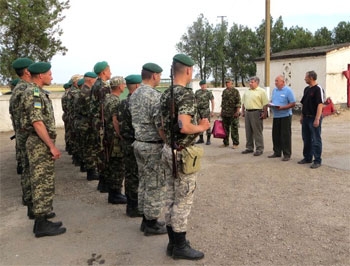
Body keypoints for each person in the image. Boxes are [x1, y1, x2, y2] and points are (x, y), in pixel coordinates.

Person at [160, 54, 210, 260]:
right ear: (188, 71)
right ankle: (180, 246)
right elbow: (184, 125)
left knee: (171, 196)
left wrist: (169, 143)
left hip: (168, 149)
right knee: (183, 200)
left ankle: (173, 243)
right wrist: (203, 127)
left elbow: (160, 125)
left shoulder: (166, 94)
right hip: (182, 153)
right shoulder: (186, 95)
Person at [21, 62, 66, 237]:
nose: (52, 77)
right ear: (40, 76)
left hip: (40, 142)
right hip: (39, 143)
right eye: (49, 74)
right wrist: (51, 146)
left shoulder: (37, 92)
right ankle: (40, 225)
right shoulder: (33, 93)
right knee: (41, 182)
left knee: (45, 180)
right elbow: (37, 122)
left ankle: (44, 218)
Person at [129, 63, 167, 236]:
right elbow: (160, 125)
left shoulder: (135, 94)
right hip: (152, 145)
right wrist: (169, 143)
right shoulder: (154, 96)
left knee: (144, 182)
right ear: (154, 76)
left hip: (139, 143)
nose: (159, 78)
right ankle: (151, 223)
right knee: (154, 184)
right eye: (159, 75)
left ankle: (146, 219)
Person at [8, 58, 34, 209]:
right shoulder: (24, 89)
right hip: (26, 134)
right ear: (26, 71)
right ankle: (30, 200)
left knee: (27, 166)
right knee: (29, 167)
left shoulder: (18, 88)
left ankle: (29, 198)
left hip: (22, 132)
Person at [117, 74, 143, 217]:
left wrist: (121, 135)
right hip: (136, 142)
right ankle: (134, 207)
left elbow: (117, 121)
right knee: (135, 175)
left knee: (129, 174)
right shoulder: (136, 103)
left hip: (126, 141)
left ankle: (131, 205)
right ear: (138, 86)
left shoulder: (123, 102)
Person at [103, 76, 127, 204]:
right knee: (117, 165)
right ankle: (115, 194)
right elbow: (115, 120)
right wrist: (120, 135)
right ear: (119, 86)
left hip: (108, 135)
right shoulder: (114, 101)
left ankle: (115, 193)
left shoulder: (107, 98)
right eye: (123, 84)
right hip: (114, 137)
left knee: (112, 165)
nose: (124, 86)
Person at [89, 61, 112, 192]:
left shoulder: (96, 84)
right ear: (103, 72)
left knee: (100, 151)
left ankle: (103, 182)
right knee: (104, 151)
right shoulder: (103, 87)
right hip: (102, 124)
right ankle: (104, 183)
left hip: (96, 122)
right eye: (109, 70)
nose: (111, 73)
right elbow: (105, 108)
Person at [75, 72, 99, 180]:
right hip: (87, 123)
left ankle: (90, 169)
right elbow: (91, 110)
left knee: (86, 147)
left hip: (82, 121)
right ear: (90, 80)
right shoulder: (87, 92)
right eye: (95, 80)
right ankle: (91, 172)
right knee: (89, 147)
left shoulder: (81, 91)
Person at [298, 70, 324, 169]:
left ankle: (317, 160)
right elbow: (304, 104)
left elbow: (320, 104)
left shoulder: (318, 89)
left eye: (306, 77)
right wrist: (302, 116)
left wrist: (317, 119)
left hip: (314, 117)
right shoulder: (306, 89)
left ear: (311, 78)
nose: (305, 78)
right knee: (306, 138)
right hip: (306, 118)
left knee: (316, 139)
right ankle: (307, 157)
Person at [268, 75, 296, 161]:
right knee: (275, 135)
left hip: (285, 116)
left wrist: (283, 107)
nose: (275, 82)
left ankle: (287, 154)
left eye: (277, 81)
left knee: (285, 135)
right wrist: (270, 104)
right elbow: (273, 101)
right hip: (276, 116)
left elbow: (293, 103)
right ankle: (277, 152)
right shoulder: (275, 90)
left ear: (283, 82)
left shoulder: (288, 91)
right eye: (275, 81)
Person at [241, 76, 269, 156]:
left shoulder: (261, 91)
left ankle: (259, 148)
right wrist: (243, 111)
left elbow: (265, 103)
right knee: (248, 131)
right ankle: (249, 147)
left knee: (257, 131)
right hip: (248, 112)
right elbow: (243, 102)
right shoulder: (247, 91)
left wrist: (264, 113)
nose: (250, 83)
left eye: (252, 82)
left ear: (257, 83)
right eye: (249, 82)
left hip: (256, 112)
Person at [220, 78, 241, 148]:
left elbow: (238, 102)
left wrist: (237, 112)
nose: (227, 84)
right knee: (225, 129)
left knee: (234, 129)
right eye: (226, 82)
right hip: (225, 113)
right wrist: (221, 111)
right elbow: (223, 103)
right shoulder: (224, 91)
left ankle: (235, 143)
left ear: (232, 83)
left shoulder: (235, 91)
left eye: (228, 82)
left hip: (233, 113)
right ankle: (225, 143)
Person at [194, 80, 214, 145]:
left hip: (206, 110)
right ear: (200, 85)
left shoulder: (209, 92)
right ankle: (201, 138)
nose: (203, 86)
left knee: (207, 124)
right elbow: (195, 101)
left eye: (204, 85)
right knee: (199, 124)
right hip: (199, 110)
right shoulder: (197, 92)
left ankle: (208, 139)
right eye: (202, 85)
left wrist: (212, 111)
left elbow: (212, 101)